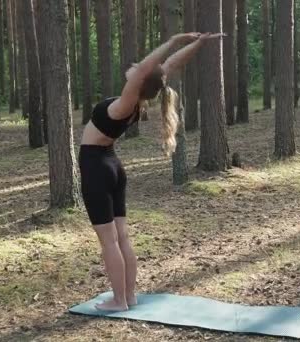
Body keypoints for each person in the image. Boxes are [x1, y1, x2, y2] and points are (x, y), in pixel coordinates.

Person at [79, 32, 224, 312]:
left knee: (109, 241)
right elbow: (168, 66)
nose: (135, 66)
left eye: (138, 69)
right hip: (112, 166)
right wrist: (198, 43)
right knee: (121, 237)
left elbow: (151, 67)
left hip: (97, 167)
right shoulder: (138, 98)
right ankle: (128, 296)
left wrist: (174, 39)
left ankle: (119, 300)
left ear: (139, 80)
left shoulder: (127, 101)